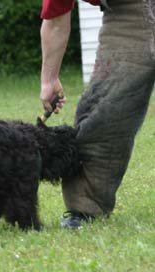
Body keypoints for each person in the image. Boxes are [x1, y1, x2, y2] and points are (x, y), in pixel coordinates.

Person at [40, 0, 155, 229]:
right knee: (102, 113)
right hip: (127, 11)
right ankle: (86, 207)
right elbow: (55, 21)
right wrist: (49, 79)